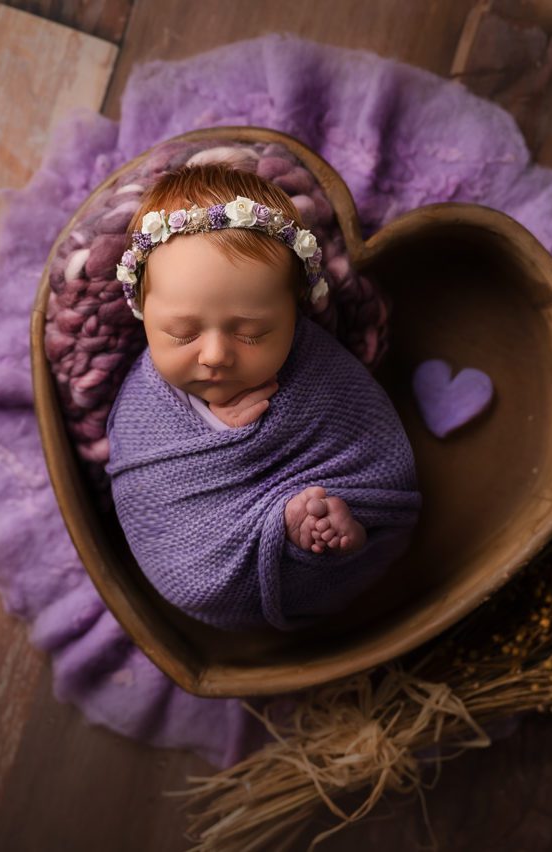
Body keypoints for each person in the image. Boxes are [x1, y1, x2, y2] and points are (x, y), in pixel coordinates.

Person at [104, 161, 421, 631]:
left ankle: (320, 537)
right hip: (199, 554)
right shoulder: (144, 400)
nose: (214, 355)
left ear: (294, 315)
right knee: (205, 572)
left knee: (337, 513)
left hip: (322, 486)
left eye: (251, 334)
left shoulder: (319, 369)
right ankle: (295, 532)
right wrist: (215, 431)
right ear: (143, 313)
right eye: (181, 333)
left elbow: (373, 448)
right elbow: (145, 477)